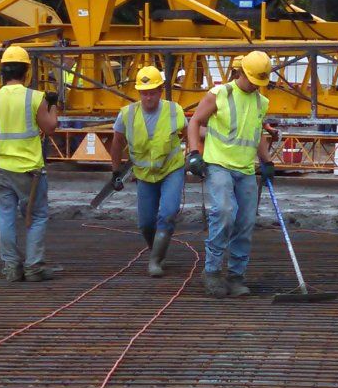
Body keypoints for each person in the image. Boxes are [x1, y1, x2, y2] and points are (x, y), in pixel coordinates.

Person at [185, 50, 276, 298]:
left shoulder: (261, 102)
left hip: (245, 169)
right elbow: (194, 122)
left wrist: (266, 161)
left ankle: (236, 276)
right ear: (242, 72)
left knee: (245, 222)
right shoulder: (219, 94)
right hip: (218, 164)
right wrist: (194, 153)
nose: (256, 86)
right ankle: (212, 271)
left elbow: (256, 134)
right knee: (225, 213)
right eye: (253, 80)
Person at [0, 46, 63, 282]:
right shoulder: (34, 97)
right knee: (37, 216)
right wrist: (54, 105)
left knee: (5, 216)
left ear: (2, 71)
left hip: (1, 167)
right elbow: (50, 128)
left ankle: (10, 267)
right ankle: (34, 267)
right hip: (30, 170)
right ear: (26, 71)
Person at [108, 65, 188, 277]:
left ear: (160, 91)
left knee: (168, 213)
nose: (148, 97)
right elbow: (116, 142)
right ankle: (157, 249)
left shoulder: (174, 110)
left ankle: (155, 261)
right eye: (144, 93)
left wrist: (196, 156)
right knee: (145, 223)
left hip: (171, 170)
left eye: (152, 92)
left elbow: (190, 132)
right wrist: (116, 172)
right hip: (144, 175)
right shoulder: (127, 114)